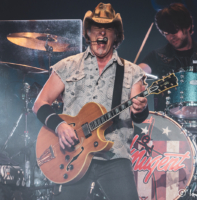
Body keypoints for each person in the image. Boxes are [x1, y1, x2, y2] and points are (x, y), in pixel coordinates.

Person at [33, 3, 148, 200]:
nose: (101, 32)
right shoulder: (67, 66)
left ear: (116, 34)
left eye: (108, 27)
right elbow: (39, 103)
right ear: (88, 32)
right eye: (96, 27)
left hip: (115, 156)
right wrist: (59, 126)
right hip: (71, 155)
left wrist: (140, 109)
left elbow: (139, 115)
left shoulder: (131, 71)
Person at [138, 3, 197, 190]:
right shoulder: (158, 56)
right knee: (173, 184)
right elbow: (138, 71)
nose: (170, 36)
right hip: (171, 125)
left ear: (188, 26)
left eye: (174, 30)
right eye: (166, 32)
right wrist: (133, 74)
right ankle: (173, 191)